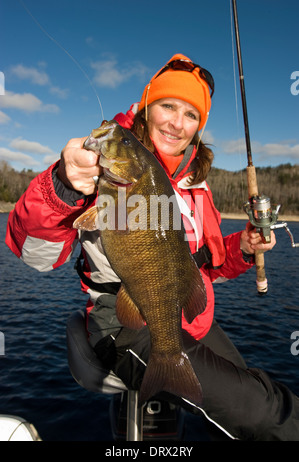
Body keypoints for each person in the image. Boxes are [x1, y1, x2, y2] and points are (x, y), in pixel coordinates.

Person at [5, 53, 299, 441]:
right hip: (122, 320)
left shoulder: (196, 181)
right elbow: (35, 255)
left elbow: (202, 266)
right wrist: (63, 184)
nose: (178, 123)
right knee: (265, 414)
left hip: (185, 315)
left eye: (191, 115)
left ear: (200, 126)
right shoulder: (98, 171)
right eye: (168, 106)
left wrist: (242, 248)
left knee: (251, 391)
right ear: (147, 107)